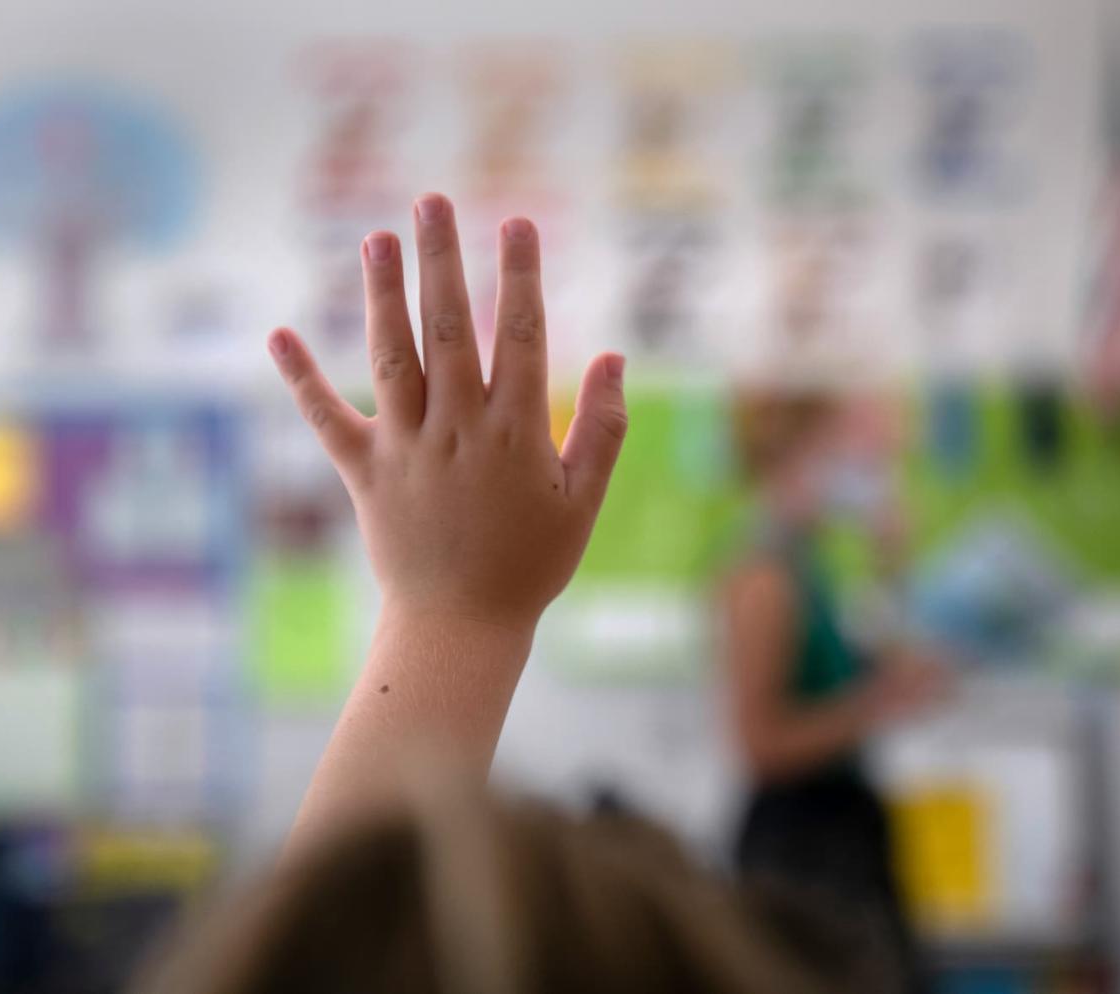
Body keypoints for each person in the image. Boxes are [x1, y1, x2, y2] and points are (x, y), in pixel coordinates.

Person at [134, 195, 880, 993]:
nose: (874, 451)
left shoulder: (810, 557)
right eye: (858, 435)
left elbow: (334, 955)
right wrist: (460, 611)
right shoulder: (766, 566)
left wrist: (453, 610)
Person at [724, 390, 949, 994]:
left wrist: (891, 559)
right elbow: (760, 745)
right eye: (841, 452)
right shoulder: (764, 577)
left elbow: (862, 666)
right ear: (792, 457)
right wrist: (877, 704)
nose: (860, 470)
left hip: (842, 831)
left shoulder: (808, 565)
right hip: (800, 847)